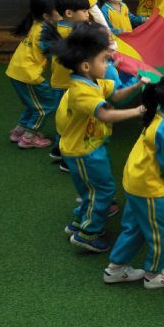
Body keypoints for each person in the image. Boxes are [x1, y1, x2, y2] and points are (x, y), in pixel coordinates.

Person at [56, 23, 149, 252]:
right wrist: (137, 111)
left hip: (90, 146)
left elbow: (116, 95)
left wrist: (137, 84)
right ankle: (89, 233)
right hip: (83, 152)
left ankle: (79, 222)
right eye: (103, 60)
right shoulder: (81, 91)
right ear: (86, 65)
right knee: (103, 190)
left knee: (92, 190)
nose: (107, 65)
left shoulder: (94, 81)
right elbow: (105, 114)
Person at [104, 74, 164, 288]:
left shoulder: (158, 116)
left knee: (135, 227)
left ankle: (115, 268)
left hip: (136, 180)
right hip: (149, 187)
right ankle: (153, 275)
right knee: (161, 231)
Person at [45, 0, 93, 171]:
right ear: (69, 13)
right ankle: (67, 159)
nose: (88, 15)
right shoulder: (72, 34)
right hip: (67, 85)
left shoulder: (58, 28)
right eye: (84, 11)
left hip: (58, 83)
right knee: (70, 121)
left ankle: (58, 149)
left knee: (63, 119)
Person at [7, 0, 57, 149]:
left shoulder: (36, 23)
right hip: (28, 74)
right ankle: (28, 138)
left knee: (32, 105)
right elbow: (54, 51)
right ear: (46, 15)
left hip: (17, 71)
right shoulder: (45, 31)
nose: (60, 11)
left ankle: (18, 132)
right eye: (57, 10)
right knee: (45, 107)